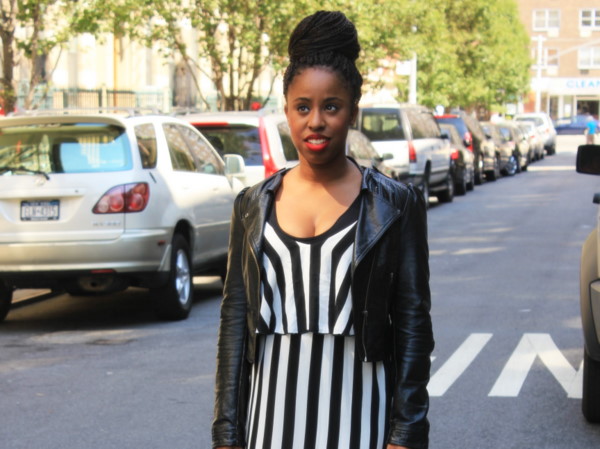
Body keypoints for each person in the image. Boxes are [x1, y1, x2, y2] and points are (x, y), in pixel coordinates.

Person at [212, 10, 434, 449]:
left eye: (331, 106)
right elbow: (234, 326)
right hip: (268, 426)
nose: (316, 121)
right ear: (288, 112)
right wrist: (226, 434)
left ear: (353, 110)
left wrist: (406, 433)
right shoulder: (252, 205)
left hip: (363, 423)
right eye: (303, 107)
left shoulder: (394, 206)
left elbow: (413, 327)